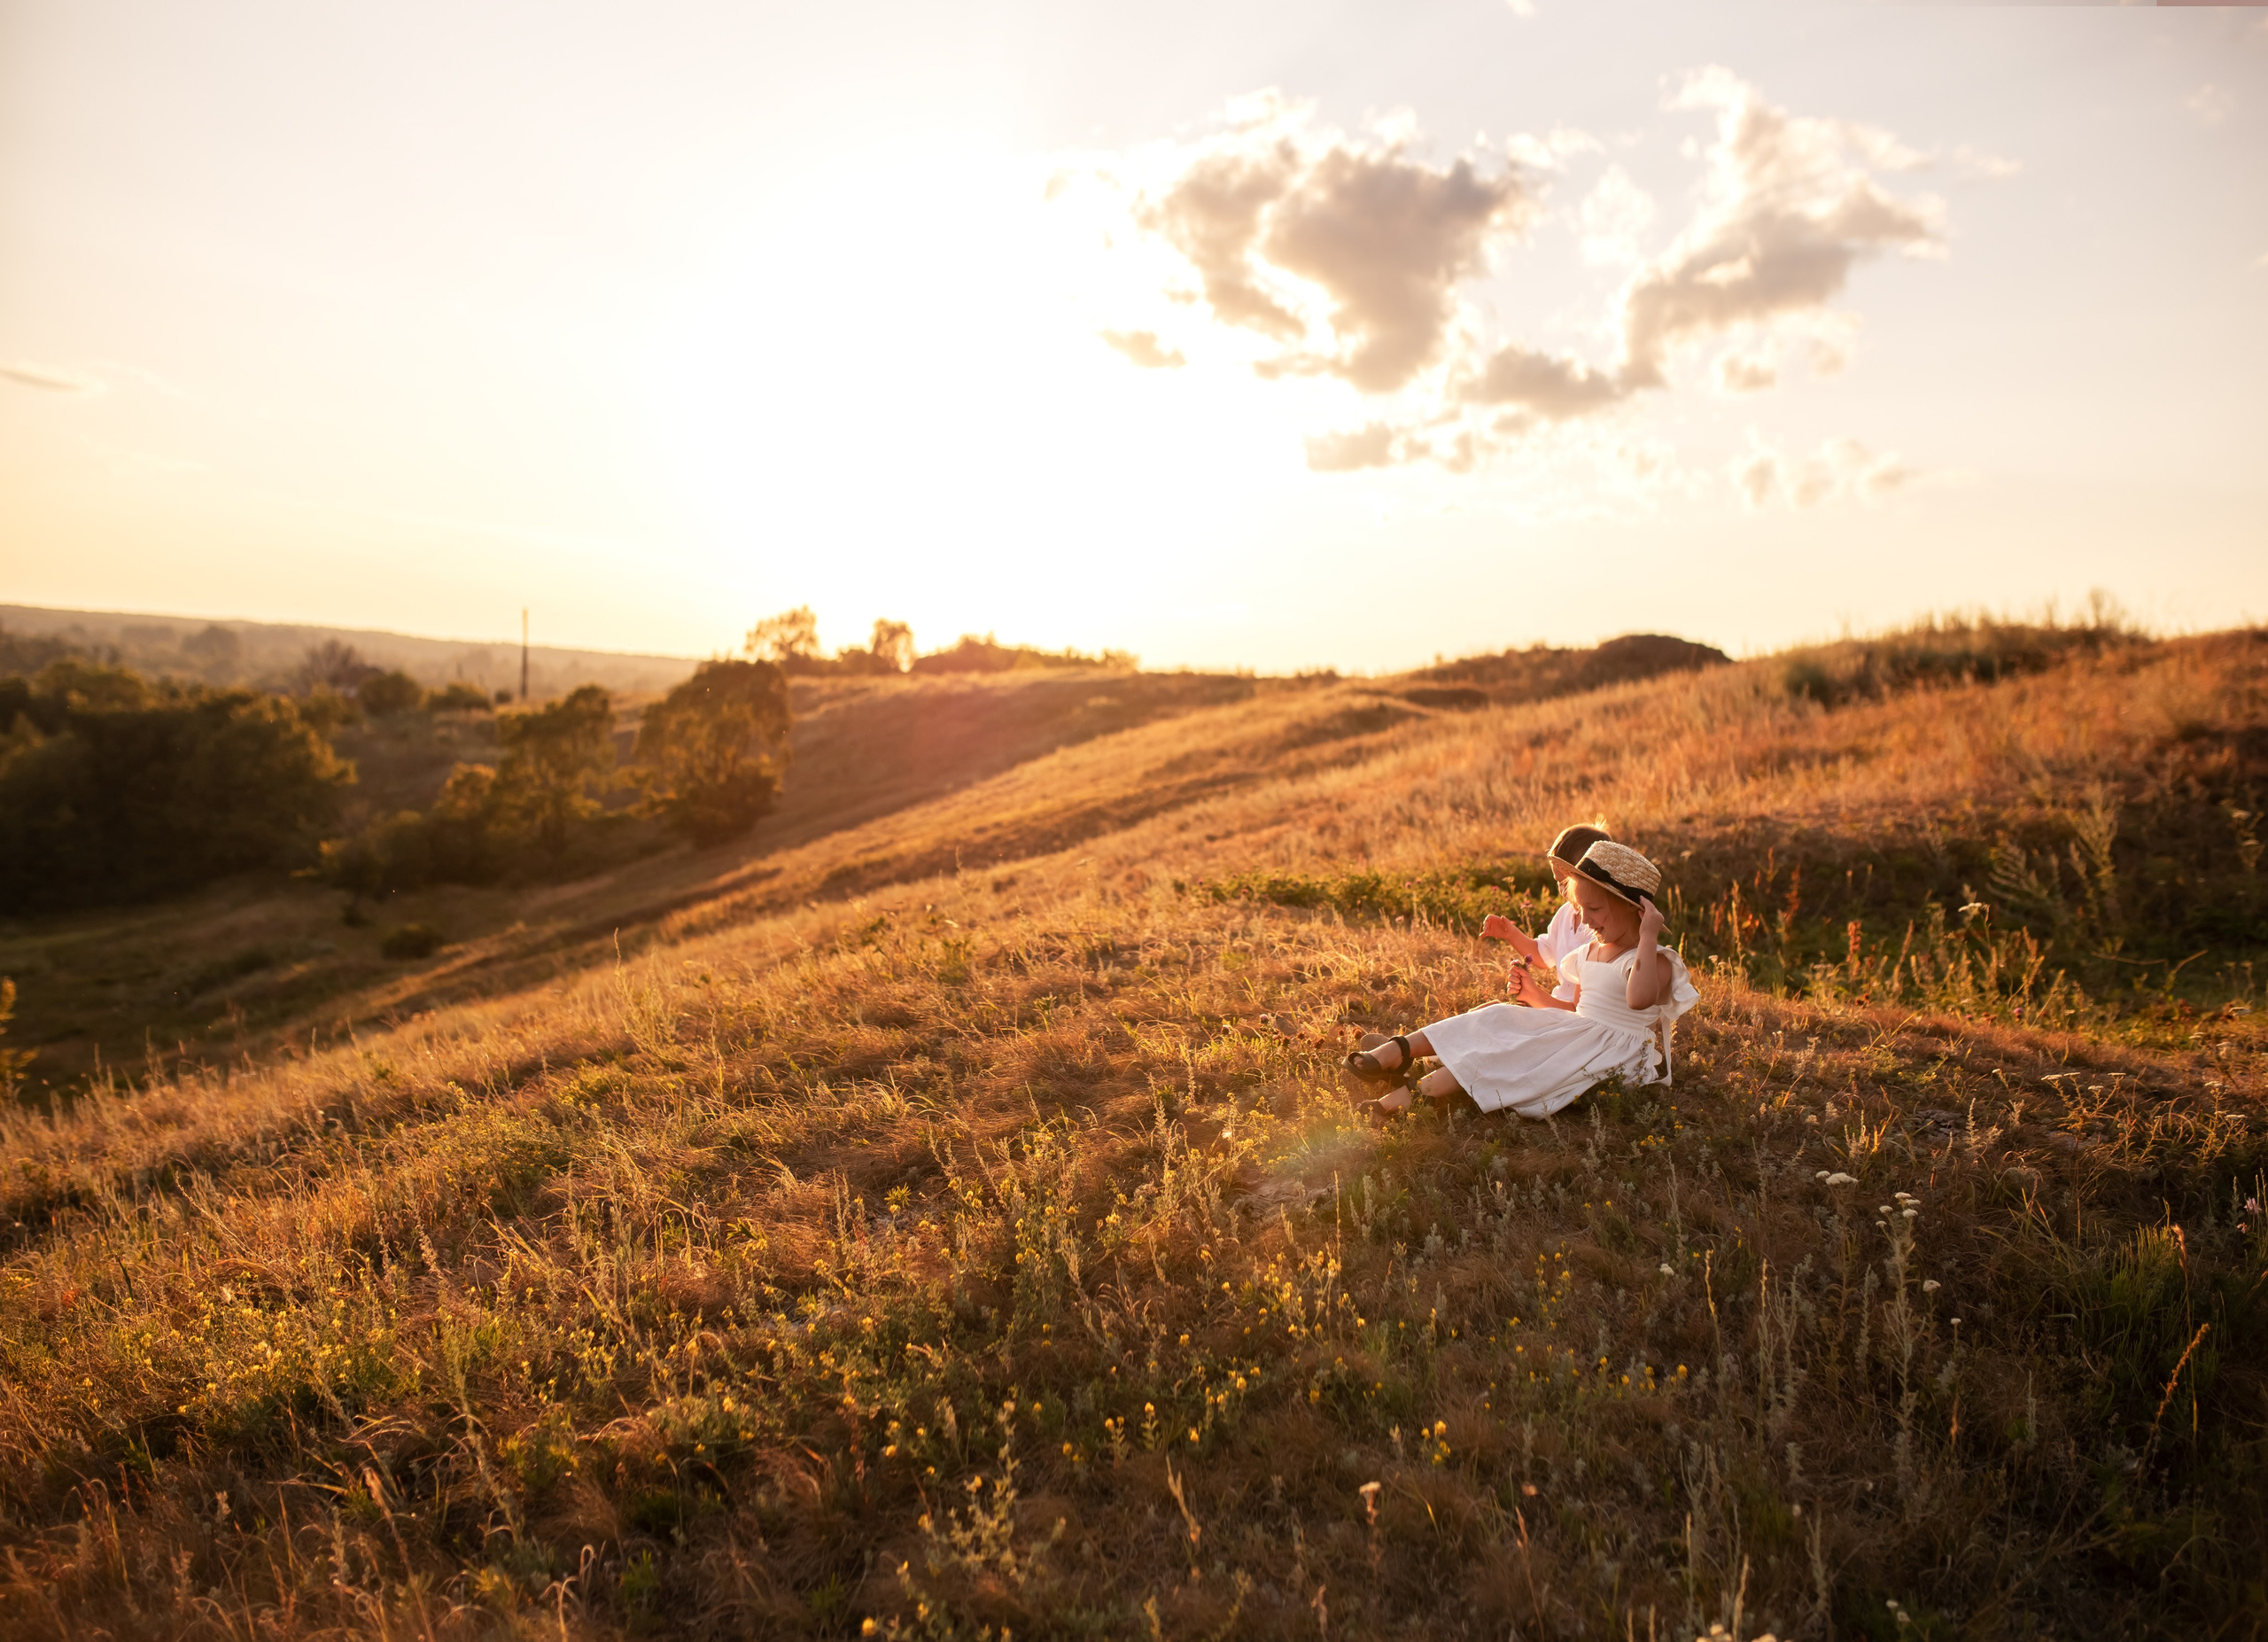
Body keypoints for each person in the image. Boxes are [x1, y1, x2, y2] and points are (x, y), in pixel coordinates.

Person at [1341, 840, 1698, 1120]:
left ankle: (1412, 1097)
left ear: (1635, 910)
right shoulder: (1590, 952)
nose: (1586, 920)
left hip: (1609, 1053)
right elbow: (1575, 1008)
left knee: (1511, 1055)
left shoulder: (1654, 960)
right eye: (1581, 909)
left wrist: (1649, 936)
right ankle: (1400, 1050)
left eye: (1595, 909)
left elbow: (1639, 999)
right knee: (1496, 1017)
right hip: (1574, 1032)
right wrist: (1532, 993)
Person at [1481, 822, 1612, 1002]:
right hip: (1555, 1005)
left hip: (1571, 1013)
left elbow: (1581, 1005)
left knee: (1496, 1014)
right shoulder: (1565, 914)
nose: (1564, 890)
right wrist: (1510, 933)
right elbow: (1542, 955)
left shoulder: (1600, 927)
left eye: (1568, 883)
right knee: (1487, 1010)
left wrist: (1533, 995)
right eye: (1558, 882)